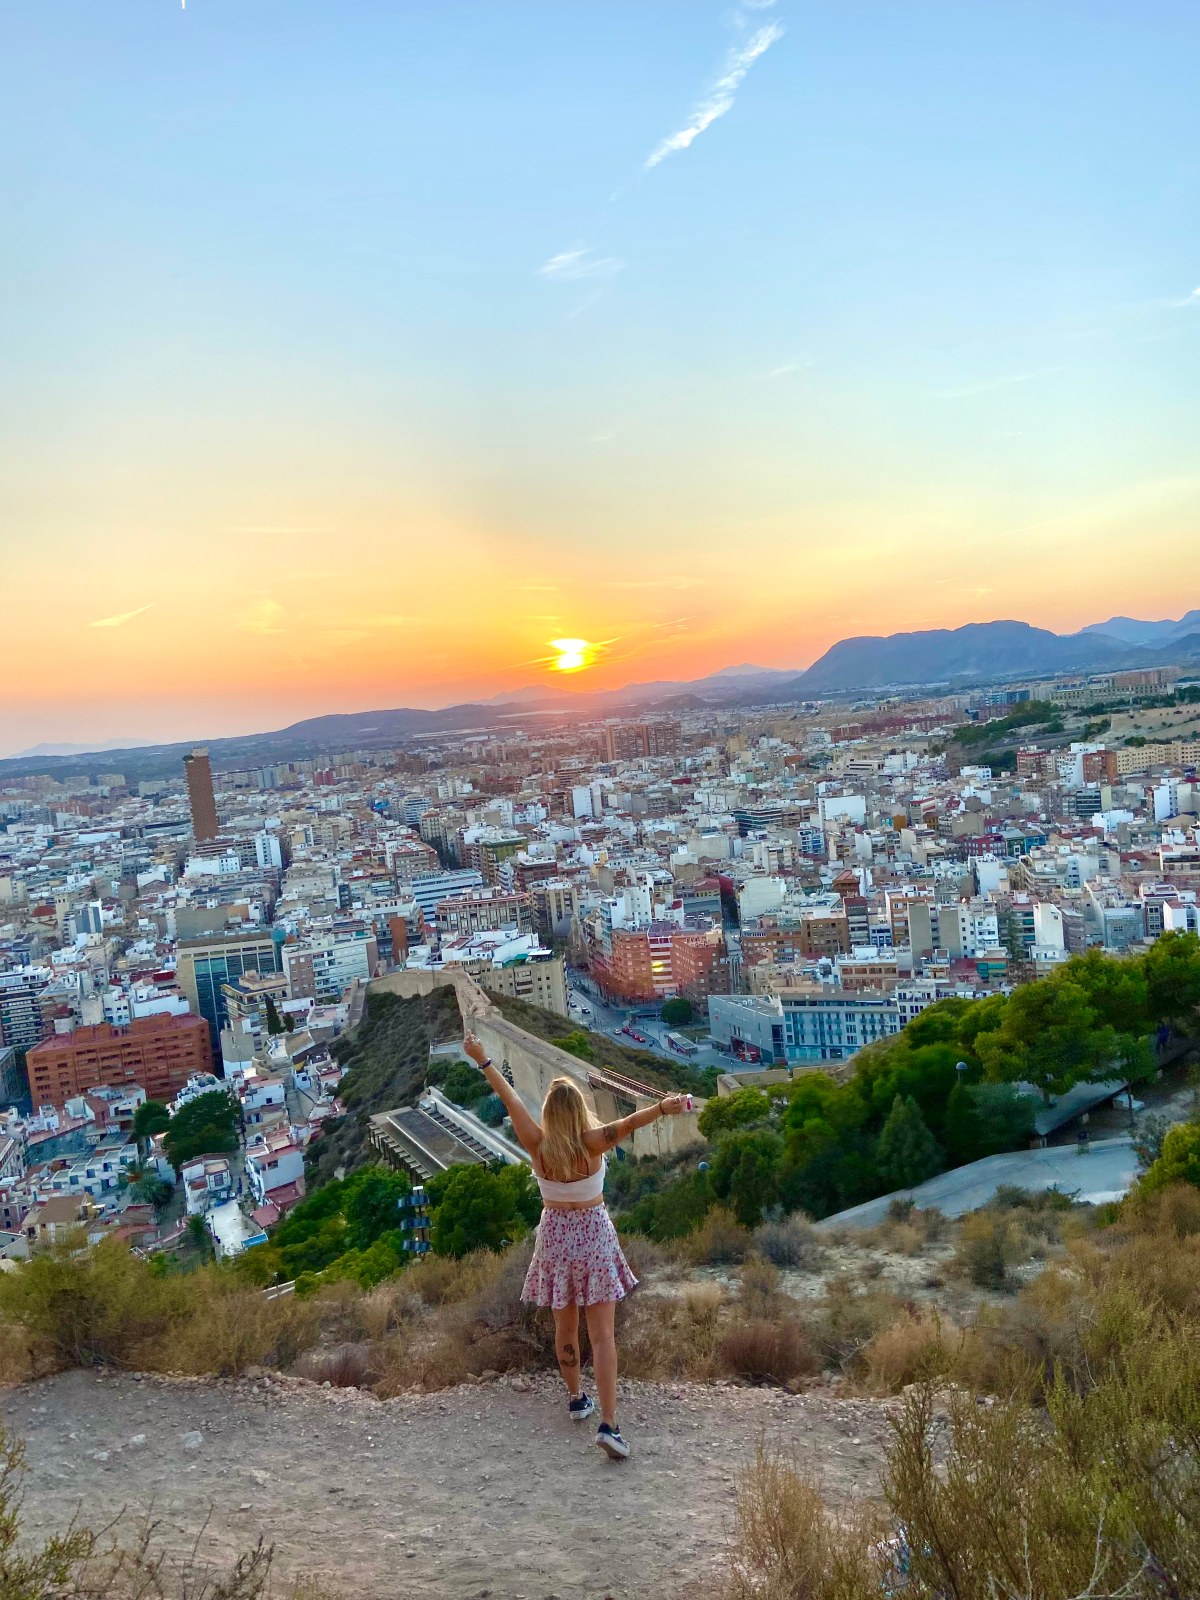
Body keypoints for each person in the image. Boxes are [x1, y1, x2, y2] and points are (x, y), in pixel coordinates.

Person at [462, 1031, 686, 1460]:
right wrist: (664, 1106)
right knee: (602, 1337)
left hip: (555, 1238)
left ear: (549, 1113)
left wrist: (482, 1058)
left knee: (565, 1327)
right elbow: (632, 1123)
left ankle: (576, 1399)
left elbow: (509, 1098)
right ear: (580, 1110)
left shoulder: (536, 1144)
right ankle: (610, 1424)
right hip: (593, 1234)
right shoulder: (595, 1143)